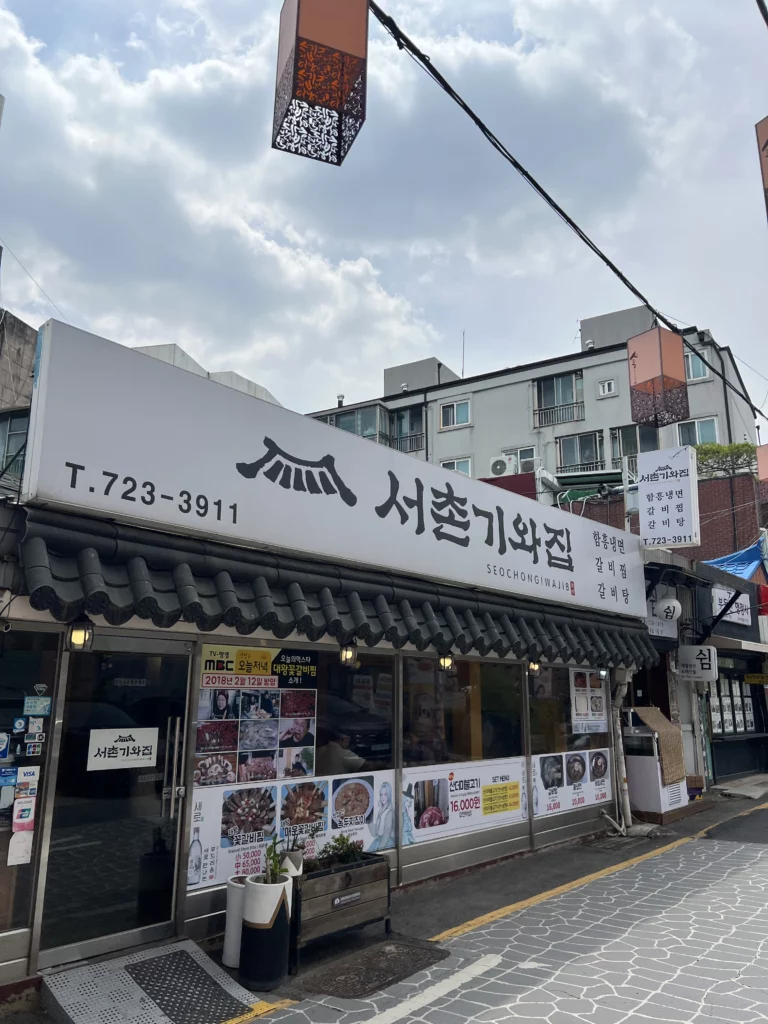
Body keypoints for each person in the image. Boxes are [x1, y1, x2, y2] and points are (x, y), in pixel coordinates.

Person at [368, 781, 395, 852]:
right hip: (379, 842)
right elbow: (375, 833)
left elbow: (386, 835)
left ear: (389, 795)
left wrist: (379, 850)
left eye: (385, 794)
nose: (383, 797)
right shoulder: (380, 810)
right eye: (381, 794)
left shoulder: (389, 812)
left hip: (386, 844)